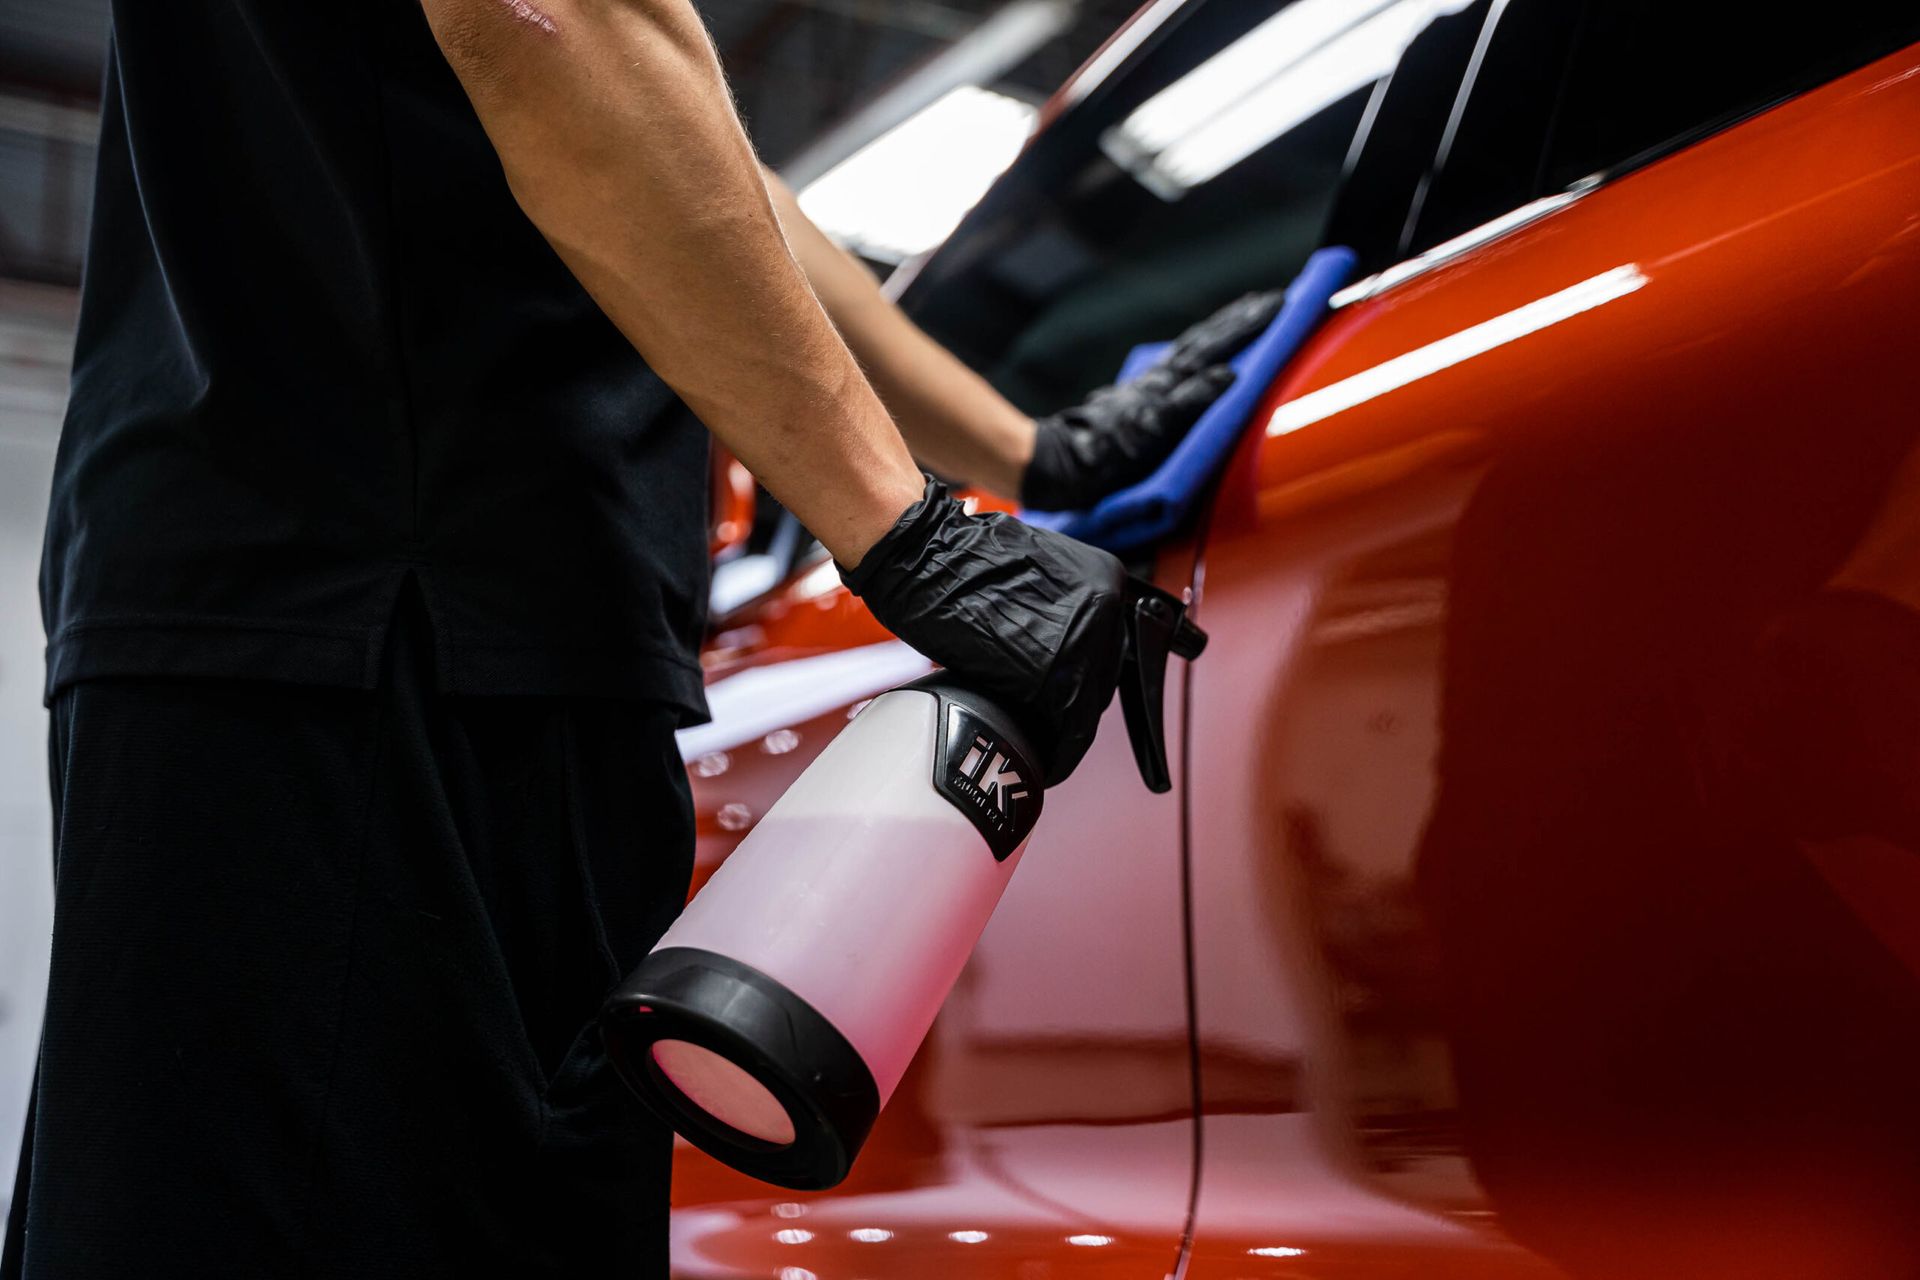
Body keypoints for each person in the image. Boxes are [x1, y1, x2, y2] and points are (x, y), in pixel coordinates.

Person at [1, 2, 1279, 1275]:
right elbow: (558, 28)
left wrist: (1023, 458)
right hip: (386, 604)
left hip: (370, 596)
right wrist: (905, 531)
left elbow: (699, 154)